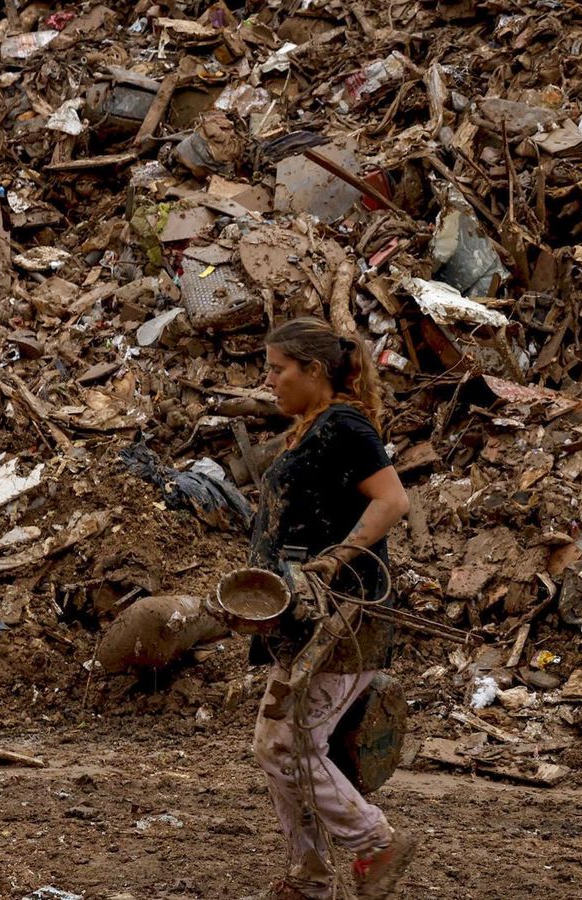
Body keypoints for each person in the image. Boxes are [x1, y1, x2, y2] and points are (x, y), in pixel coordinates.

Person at [245, 317, 418, 900]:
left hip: (344, 617)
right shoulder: (310, 428)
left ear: (314, 369)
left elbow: (392, 500)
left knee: (288, 744)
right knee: (281, 745)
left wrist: (337, 559)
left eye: (277, 369)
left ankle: (376, 844)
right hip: (304, 622)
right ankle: (310, 878)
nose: (268, 380)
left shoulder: (344, 426)